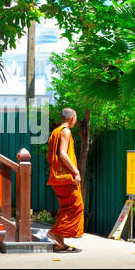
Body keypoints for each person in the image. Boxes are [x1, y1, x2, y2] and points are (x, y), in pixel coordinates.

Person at [46, 108, 84, 253]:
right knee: (76, 207)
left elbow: (51, 157)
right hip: (66, 178)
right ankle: (54, 234)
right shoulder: (65, 131)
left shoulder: (55, 132)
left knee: (66, 208)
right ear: (73, 118)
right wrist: (76, 171)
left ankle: (60, 243)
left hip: (57, 178)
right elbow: (62, 154)